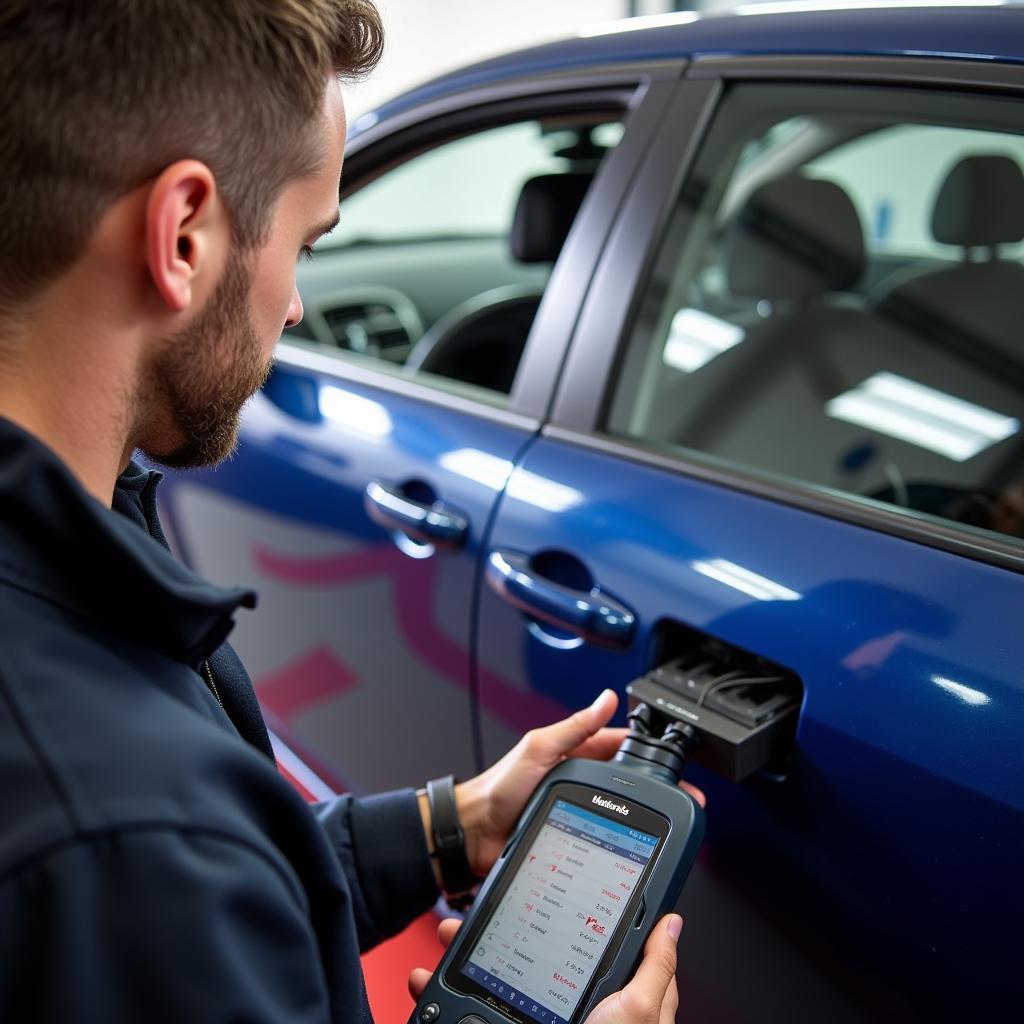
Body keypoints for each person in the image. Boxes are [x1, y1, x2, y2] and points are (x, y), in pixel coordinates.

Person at [0, 2, 703, 1021]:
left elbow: (212, 908)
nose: (292, 305)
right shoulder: (121, 828)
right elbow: (169, 877)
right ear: (184, 234)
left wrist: (449, 823)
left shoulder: (127, 803)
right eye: (304, 238)